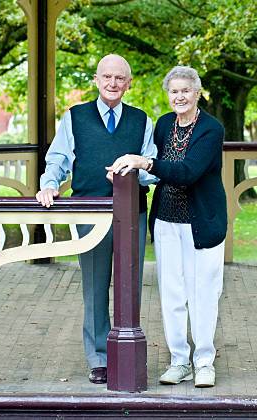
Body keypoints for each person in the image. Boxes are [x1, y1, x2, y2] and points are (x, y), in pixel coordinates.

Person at [36, 54, 157, 384]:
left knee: (130, 285)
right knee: (94, 286)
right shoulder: (75, 117)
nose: (113, 83)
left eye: (120, 78)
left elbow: (153, 167)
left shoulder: (141, 120)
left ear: (129, 83)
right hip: (89, 212)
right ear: (96, 79)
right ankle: (99, 357)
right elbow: (58, 160)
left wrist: (136, 169)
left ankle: (126, 351)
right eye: (107, 77)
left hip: (133, 213)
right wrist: (48, 186)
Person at [108, 65, 226, 388]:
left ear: (197, 93)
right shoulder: (163, 125)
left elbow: (187, 171)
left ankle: (204, 362)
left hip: (202, 223)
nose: (179, 96)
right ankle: (179, 360)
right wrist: (125, 170)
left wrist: (145, 161)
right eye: (174, 91)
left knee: (202, 294)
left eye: (186, 90)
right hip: (167, 221)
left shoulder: (211, 129)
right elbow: (158, 171)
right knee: (171, 293)